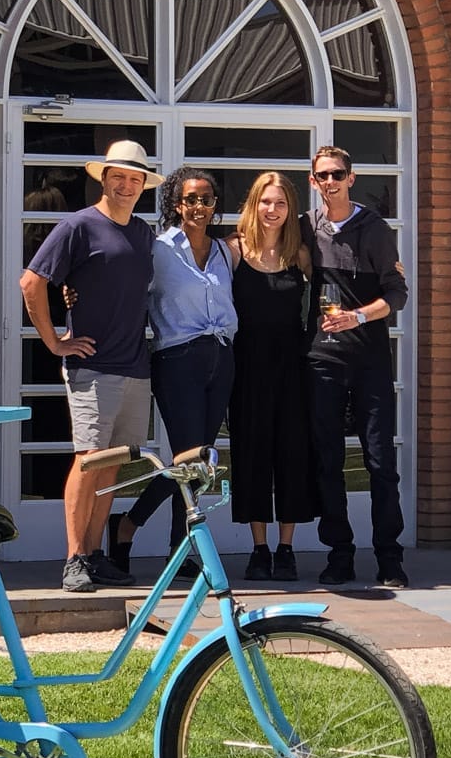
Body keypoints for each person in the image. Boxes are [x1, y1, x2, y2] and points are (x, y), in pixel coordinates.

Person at [19, 139, 161, 594]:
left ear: (143, 185)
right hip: (93, 366)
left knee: (112, 465)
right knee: (88, 460)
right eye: (118, 176)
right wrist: (53, 341)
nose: (126, 185)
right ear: (104, 179)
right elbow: (31, 282)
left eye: (134, 178)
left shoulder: (143, 233)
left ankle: (95, 555)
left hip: (135, 365)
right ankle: (74, 558)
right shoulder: (78, 226)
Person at [109, 166, 237, 581]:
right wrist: (76, 296)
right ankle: (129, 526)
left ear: (215, 206)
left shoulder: (224, 252)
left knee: (200, 460)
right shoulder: (159, 249)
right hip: (178, 359)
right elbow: (121, 283)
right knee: (190, 457)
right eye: (190, 199)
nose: (199, 207)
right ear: (176, 205)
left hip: (221, 357)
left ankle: (175, 549)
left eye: (206, 200)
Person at [302, 145, 410, 588]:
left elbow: (398, 294)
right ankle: (340, 554)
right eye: (322, 175)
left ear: (351, 177)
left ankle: (389, 556)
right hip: (323, 360)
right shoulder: (306, 227)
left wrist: (359, 316)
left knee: (380, 461)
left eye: (337, 174)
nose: (330, 182)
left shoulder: (374, 228)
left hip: (369, 359)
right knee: (327, 460)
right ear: (313, 181)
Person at [227, 172, 315, 582]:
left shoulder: (300, 254)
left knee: (292, 456)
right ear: (253, 204)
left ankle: (287, 548)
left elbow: (336, 290)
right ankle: (259, 548)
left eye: (280, 203)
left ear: (290, 209)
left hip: (293, 369)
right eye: (266, 201)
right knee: (252, 456)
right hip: (247, 368)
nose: (272, 209)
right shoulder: (233, 250)